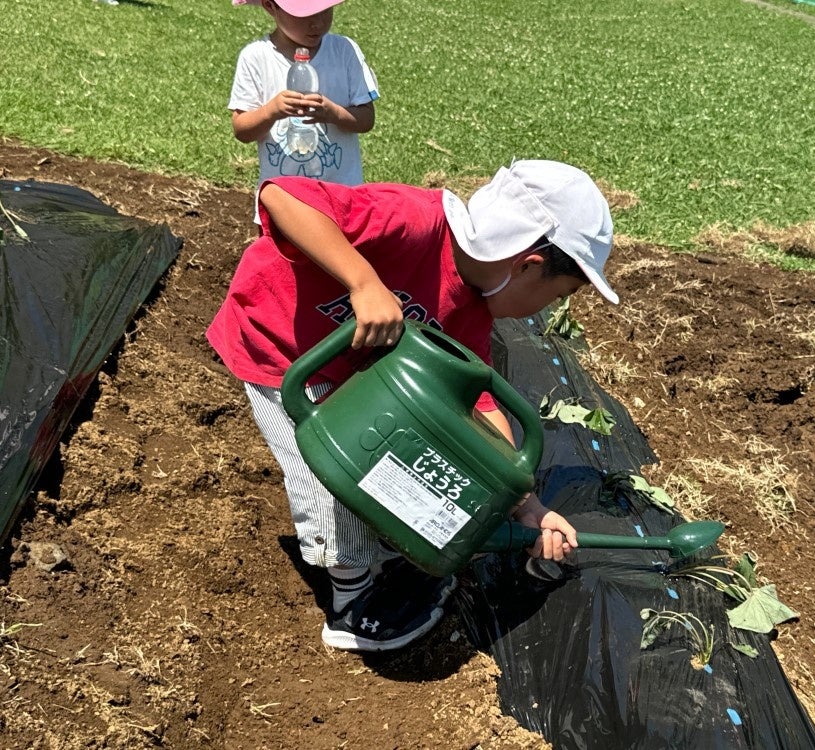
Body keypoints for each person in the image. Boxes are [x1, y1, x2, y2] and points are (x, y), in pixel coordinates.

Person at [206, 159, 619, 651]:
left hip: (354, 373)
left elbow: (478, 401)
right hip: (283, 350)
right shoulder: (414, 221)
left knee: (385, 455)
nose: (548, 308)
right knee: (327, 472)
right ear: (527, 265)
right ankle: (352, 599)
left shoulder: (471, 307)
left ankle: (376, 543)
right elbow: (280, 195)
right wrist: (363, 282)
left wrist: (525, 502)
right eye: (559, 294)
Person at [230, 0, 378, 223]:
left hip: (341, 199)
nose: (317, 23)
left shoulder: (344, 50)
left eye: (325, 11)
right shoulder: (255, 57)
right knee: (277, 258)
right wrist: (272, 110)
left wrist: (333, 113)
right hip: (283, 204)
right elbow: (242, 130)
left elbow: (366, 119)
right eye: (304, 15)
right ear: (271, 6)